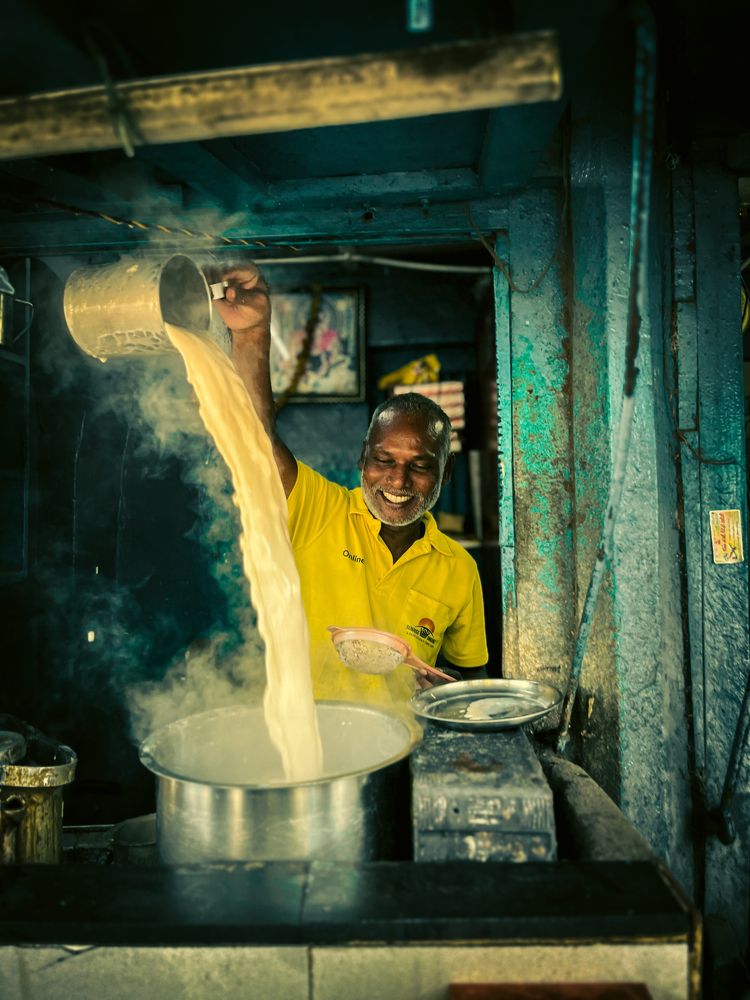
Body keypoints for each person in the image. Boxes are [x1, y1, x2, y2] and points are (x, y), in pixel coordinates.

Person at [212, 262, 489, 705]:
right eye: (383, 460)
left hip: (404, 750)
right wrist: (251, 334)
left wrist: (446, 685)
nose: (398, 480)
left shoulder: (458, 568)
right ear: (363, 459)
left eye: (420, 465)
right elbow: (255, 436)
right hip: (309, 742)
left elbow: (474, 681)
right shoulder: (320, 510)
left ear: (445, 474)